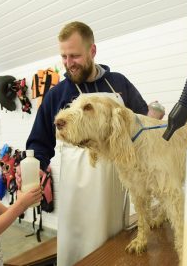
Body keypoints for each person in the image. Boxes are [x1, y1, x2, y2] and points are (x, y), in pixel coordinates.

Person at [25, 21, 148, 266]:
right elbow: (40, 144)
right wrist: (33, 172)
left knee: (113, 244)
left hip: (116, 179)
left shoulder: (119, 84)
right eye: (64, 56)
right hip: (78, 185)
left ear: (92, 51)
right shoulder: (56, 95)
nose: (69, 63)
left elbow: (143, 123)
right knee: (79, 247)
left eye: (75, 56)